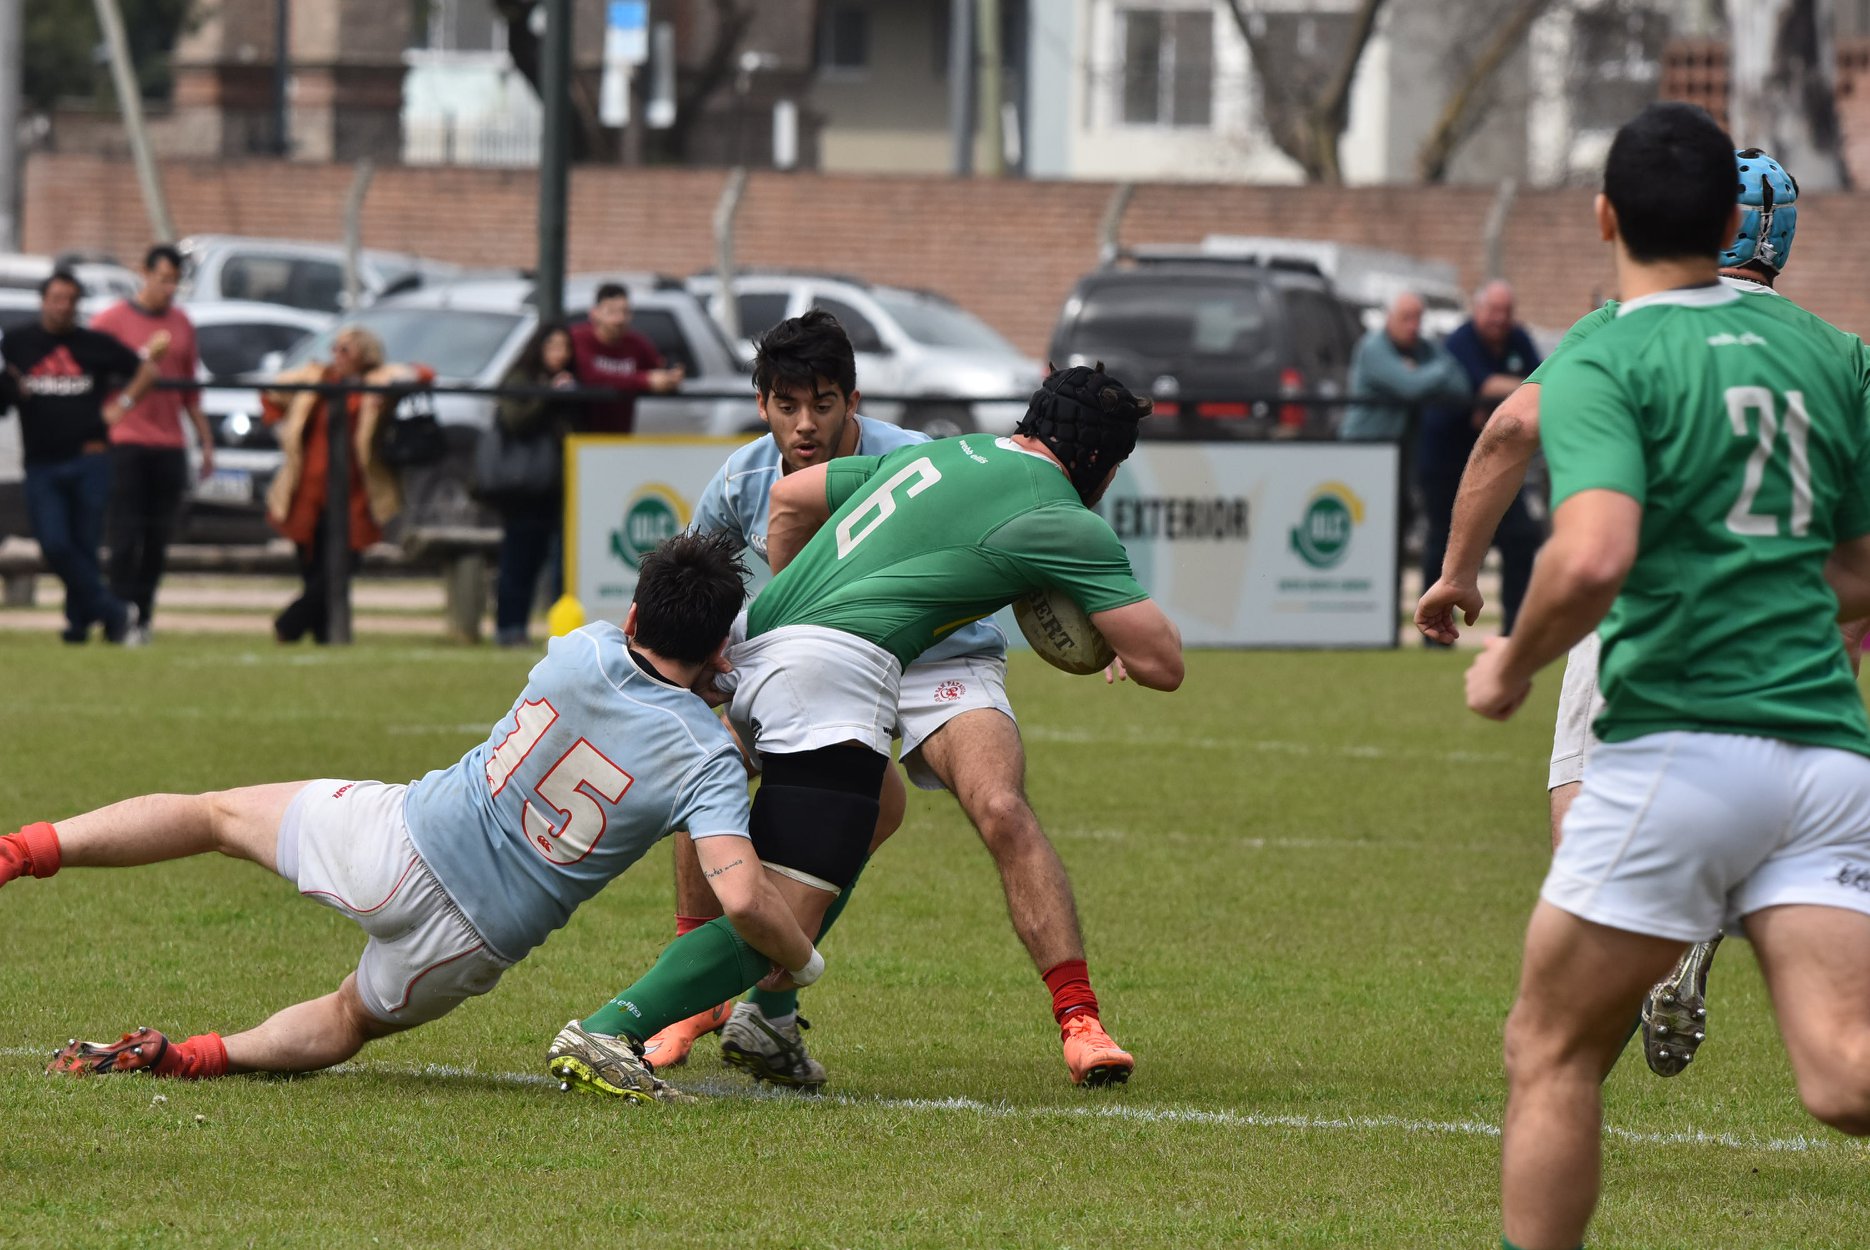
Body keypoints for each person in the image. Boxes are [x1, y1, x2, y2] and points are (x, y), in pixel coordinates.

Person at [1461, 102, 1870, 1250]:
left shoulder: (1610, 344)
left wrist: (1510, 659)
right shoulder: (1836, 355)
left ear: (1605, 217)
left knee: (1548, 1047)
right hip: (1827, 753)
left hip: (1679, 745)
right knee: (1843, 1074)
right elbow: (1860, 569)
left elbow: (1591, 553)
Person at [549, 362, 1184, 1098]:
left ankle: (768, 1022)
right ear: (1101, 465)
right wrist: (1105, 625)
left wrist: (793, 614)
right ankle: (609, 1028)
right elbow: (1163, 662)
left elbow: (788, 498)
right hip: (829, 678)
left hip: (764, 643)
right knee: (782, 916)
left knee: (881, 803)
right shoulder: (1065, 519)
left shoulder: (942, 452)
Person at [11, 532, 822, 1104]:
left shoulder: (584, 647)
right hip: (472, 940)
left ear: (639, 618)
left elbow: (642, 673)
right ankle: (190, 1059)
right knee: (344, 1019)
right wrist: (803, 961)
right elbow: (745, 900)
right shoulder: (706, 759)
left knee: (212, 816)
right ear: (720, 650)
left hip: (400, 840)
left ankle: (20, 851)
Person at [1415, 144, 1842, 1077]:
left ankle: (1589, 1025)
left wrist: (1456, 574)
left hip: (1637, 613)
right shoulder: (1838, 354)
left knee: (1589, 848)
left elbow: (1509, 429)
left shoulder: (1624, 323)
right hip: (1786, 647)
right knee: (1836, 1055)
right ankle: (1693, 935)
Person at [2, 269, 167, 644]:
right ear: (43, 301)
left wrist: (121, 406)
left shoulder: (94, 344)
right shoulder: (17, 343)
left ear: (77, 304)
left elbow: (146, 370)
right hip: (42, 461)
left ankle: (79, 627)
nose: (62, 307)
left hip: (90, 457)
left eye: (69, 300)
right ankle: (115, 612)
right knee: (55, 544)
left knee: (84, 545)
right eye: (55, 299)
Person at [262, 326, 432, 644]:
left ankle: (290, 625)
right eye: (335, 349)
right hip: (307, 491)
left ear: (364, 355)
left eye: (346, 350)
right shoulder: (317, 378)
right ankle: (325, 636)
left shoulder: (375, 382)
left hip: (355, 491)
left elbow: (422, 373)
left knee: (341, 568)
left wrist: (390, 382)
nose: (336, 356)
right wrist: (280, 426)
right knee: (312, 569)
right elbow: (271, 392)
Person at [92, 244, 213, 644]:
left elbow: (190, 390)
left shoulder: (182, 323)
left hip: (169, 443)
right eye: (163, 279)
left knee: (158, 540)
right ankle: (117, 615)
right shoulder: (111, 321)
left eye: (175, 281)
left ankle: (143, 617)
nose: (169, 288)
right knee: (125, 537)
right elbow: (92, 374)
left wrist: (205, 440)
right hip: (126, 441)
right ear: (143, 273)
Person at [1415, 281, 1543, 636]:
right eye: (1493, 311)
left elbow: (1541, 381)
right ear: (1477, 310)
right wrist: (1517, 391)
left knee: (1521, 538)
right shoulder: (1459, 341)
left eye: (1506, 311)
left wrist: (1502, 399)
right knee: (1441, 540)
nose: (1500, 319)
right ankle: (1434, 633)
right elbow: (1493, 387)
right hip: (1446, 461)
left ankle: (1514, 632)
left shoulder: (1519, 339)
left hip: (1498, 461)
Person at [488, 322, 580, 647]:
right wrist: (547, 395)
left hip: (558, 486)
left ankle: (559, 629)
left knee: (557, 563)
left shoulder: (571, 382)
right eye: (553, 346)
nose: (560, 354)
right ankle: (509, 627)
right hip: (524, 487)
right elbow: (516, 421)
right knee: (518, 559)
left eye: (565, 348)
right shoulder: (520, 379)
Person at [1338, 291, 1472, 444]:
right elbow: (1411, 388)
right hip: (1364, 446)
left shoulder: (1423, 347)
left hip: (1403, 449)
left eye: (1418, 318)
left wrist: (1422, 373)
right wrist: (1439, 372)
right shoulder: (1372, 348)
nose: (1413, 326)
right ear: (1389, 318)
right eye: (1406, 318)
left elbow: (1461, 386)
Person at [569, 283, 683, 434]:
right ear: (594, 313)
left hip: (621, 436)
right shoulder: (578, 338)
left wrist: (670, 378)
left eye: (625, 312)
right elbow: (590, 377)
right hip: (579, 437)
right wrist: (644, 380)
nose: (619, 319)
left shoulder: (637, 343)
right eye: (611, 312)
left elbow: (658, 369)